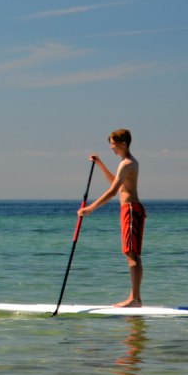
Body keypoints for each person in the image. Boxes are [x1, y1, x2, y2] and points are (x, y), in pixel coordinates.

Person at [78, 129, 146, 308]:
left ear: (123, 144)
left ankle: (135, 299)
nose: (111, 148)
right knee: (131, 254)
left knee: (132, 254)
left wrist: (91, 208)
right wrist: (100, 164)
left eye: (113, 144)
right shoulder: (126, 163)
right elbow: (115, 183)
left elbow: (113, 191)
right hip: (129, 209)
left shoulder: (127, 163)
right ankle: (135, 298)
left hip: (130, 209)